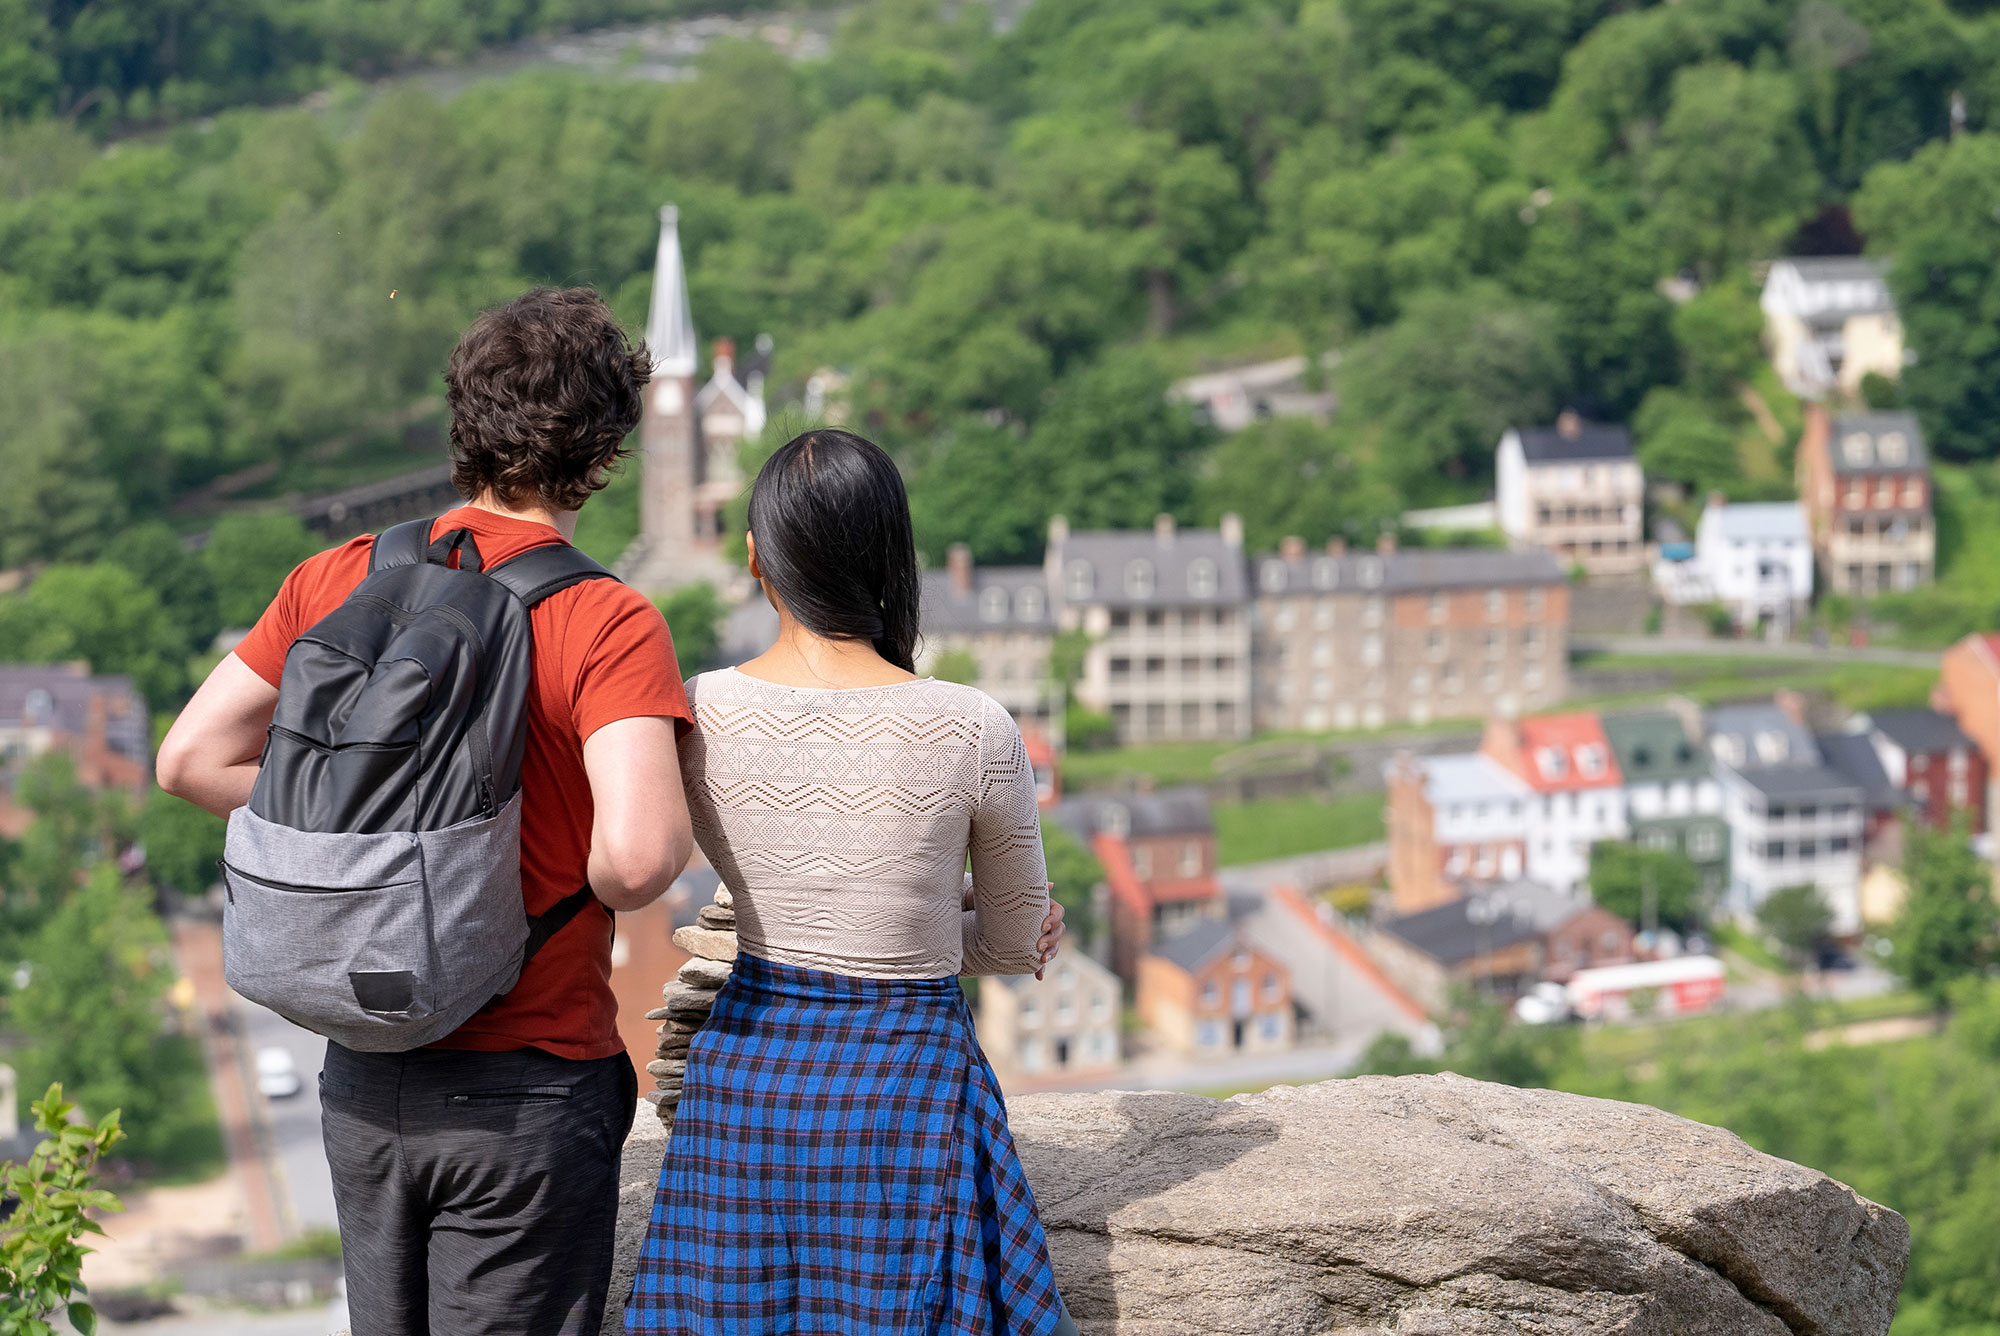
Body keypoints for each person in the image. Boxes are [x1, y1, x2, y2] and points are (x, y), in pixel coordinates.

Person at [159, 287, 696, 1336]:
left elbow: (188, 758)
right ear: (603, 451)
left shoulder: (336, 576)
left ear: (462, 423)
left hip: (363, 1073)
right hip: (526, 1085)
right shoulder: (604, 618)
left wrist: (379, 844)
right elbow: (633, 865)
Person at [626, 428, 1076, 1336]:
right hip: (908, 1095)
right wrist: (952, 910)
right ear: (890, 557)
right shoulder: (973, 728)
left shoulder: (697, 710)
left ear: (756, 558)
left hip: (749, 1092)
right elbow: (1009, 942)